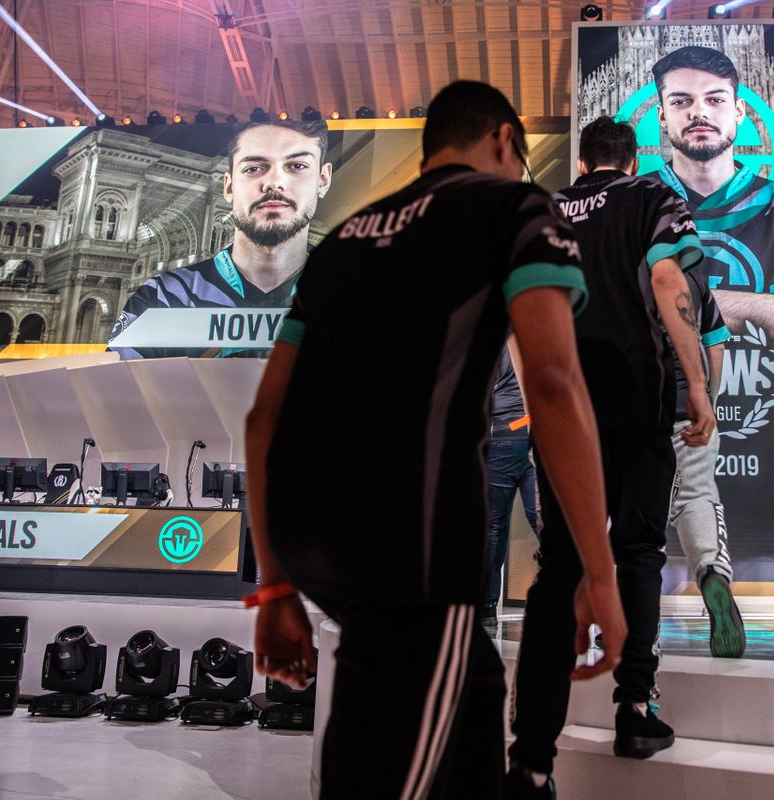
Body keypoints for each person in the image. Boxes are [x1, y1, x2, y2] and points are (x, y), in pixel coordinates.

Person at [244, 82, 627, 800]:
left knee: (471, 710)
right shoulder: (512, 206)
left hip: (317, 541)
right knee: (387, 769)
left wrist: (274, 586)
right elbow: (552, 381)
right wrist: (598, 574)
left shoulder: (344, 239)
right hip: (416, 553)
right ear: (505, 140)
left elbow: (263, 420)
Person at [507, 116, 714, 796]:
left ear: (582, 161)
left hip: (564, 403)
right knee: (638, 551)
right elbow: (668, 279)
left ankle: (531, 761)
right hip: (635, 396)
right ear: (632, 160)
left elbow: (518, 317)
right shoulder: (653, 196)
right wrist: (698, 387)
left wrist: (538, 402)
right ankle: (635, 710)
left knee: (559, 567)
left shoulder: (541, 211)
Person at [651, 45, 774, 583]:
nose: (698, 112)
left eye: (714, 99)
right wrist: (752, 308)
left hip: (772, 486)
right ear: (661, 115)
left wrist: (672, 305)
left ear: (739, 112)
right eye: (681, 101)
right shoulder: (636, 204)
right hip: (655, 467)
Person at [109, 118, 332, 358]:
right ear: (228, 186)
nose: (274, 183)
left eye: (297, 166)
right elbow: (114, 382)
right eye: (254, 168)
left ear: (323, 180)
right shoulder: (162, 298)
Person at [664, 272, 744, 658]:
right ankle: (712, 570)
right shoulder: (692, 280)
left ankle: (625, 618)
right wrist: (709, 398)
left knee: (629, 522)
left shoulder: (614, 266)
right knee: (695, 497)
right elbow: (715, 345)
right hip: (686, 409)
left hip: (628, 414)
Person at [484, 342, 539, 628]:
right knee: (543, 520)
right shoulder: (543, 329)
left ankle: (486, 607)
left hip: (503, 434)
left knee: (495, 527)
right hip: (536, 434)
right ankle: (564, 598)